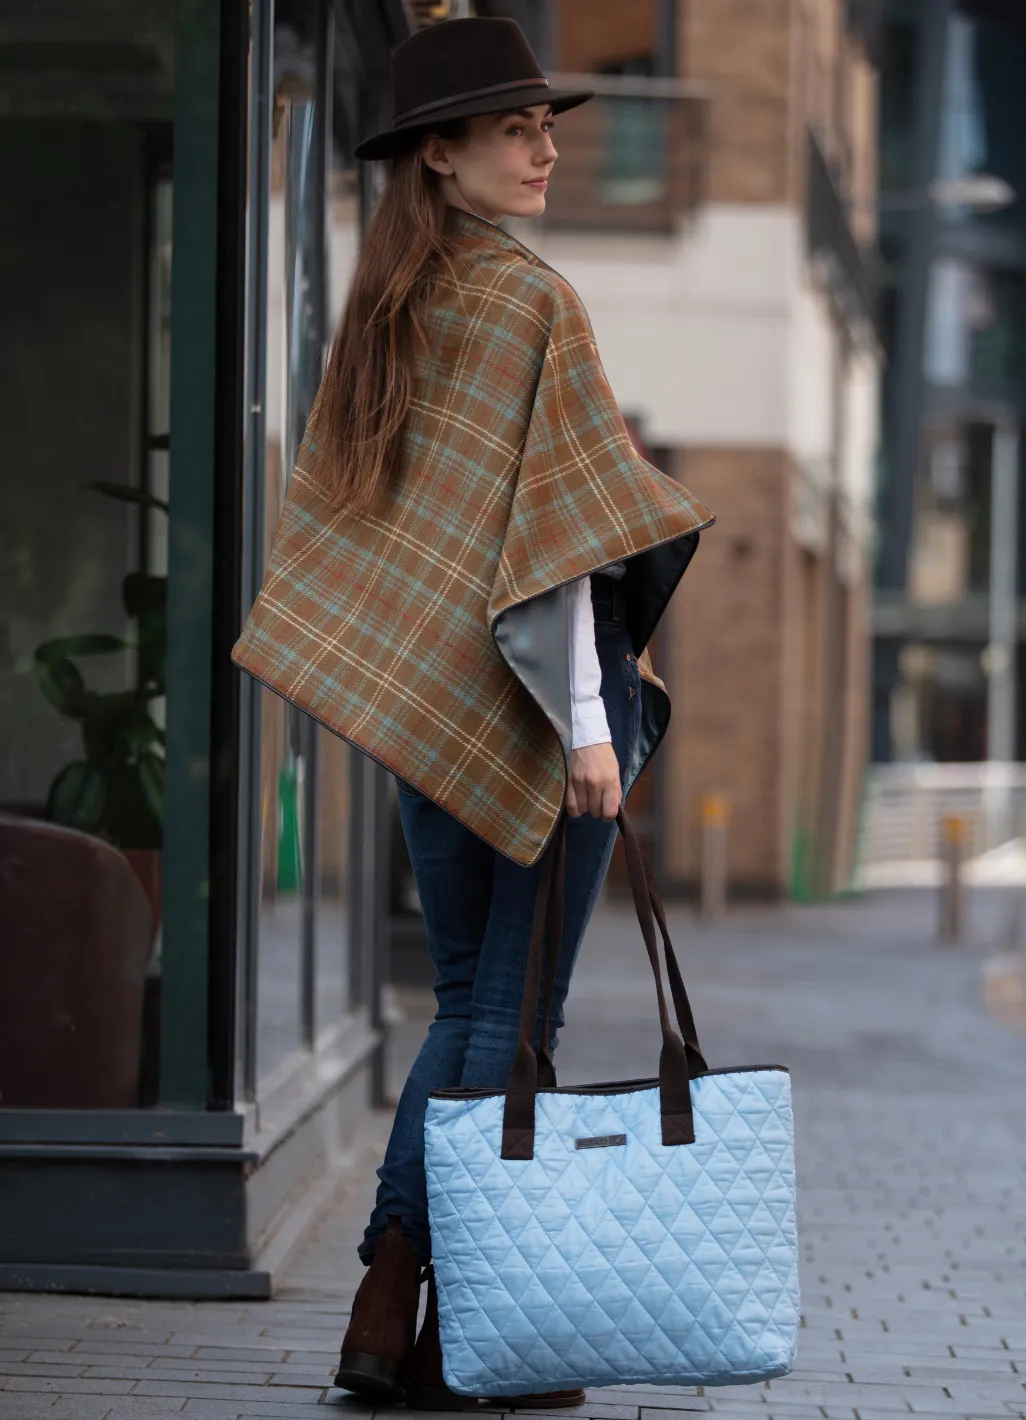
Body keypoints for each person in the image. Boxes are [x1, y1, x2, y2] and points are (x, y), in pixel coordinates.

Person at [233, 16, 713, 1410]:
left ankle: (412, 1324)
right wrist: (588, 729)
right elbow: (565, 549)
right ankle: (431, 1310)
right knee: (506, 1024)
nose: (547, 144)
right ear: (437, 156)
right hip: (540, 718)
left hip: (434, 712)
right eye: (515, 129)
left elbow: (388, 548)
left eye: (545, 124)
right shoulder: (533, 303)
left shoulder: (390, 309)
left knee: (467, 1011)